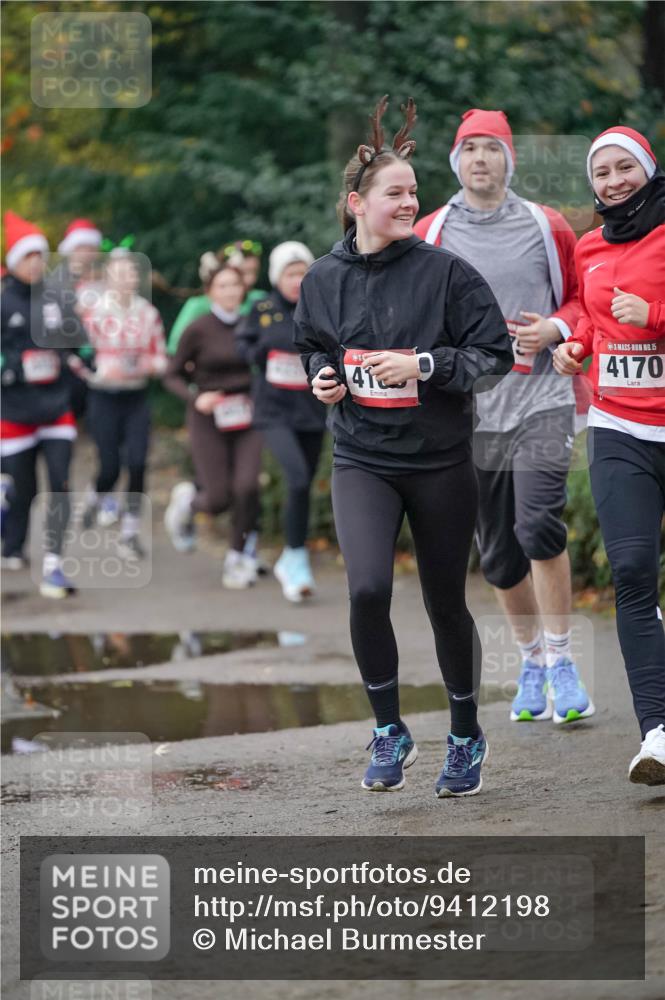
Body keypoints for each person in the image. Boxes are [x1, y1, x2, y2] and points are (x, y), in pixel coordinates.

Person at [294, 97, 512, 796]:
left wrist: (423, 366)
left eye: (414, 193)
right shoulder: (323, 279)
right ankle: (388, 729)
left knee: (445, 602)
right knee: (365, 590)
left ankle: (462, 735)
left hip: (440, 461)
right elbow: (311, 349)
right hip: (362, 456)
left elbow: (494, 354)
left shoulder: (444, 274)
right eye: (396, 193)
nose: (409, 202)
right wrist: (321, 379)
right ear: (357, 203)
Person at [414, 108, 594, 726]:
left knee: (539, 525)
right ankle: (531, 661)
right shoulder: (431, 232)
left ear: (508, 159)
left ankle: (566, 662)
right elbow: (414, 312)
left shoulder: (545, 225)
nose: (480, 159)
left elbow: (580, 296)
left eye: (492, 148)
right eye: (470, 150)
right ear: (456, 161)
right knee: (496, 555)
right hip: (470, 413)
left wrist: (557, 327)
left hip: (541, 400)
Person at [553, 126, 665, 785]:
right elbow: (596, 318)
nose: (613, 180)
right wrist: (579, 345)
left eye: (625, 167)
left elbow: (639, 313)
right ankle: (656, 731)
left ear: (648, 170)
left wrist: (651, 312)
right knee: (628, 570)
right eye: (601, 172)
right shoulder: (590, 246)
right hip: (618, 425)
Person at [163, 261, 263, 589]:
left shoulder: (252, 324)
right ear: (209, 292)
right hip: (208, 417)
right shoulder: (199, 328)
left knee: (247, 488)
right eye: (222, 286)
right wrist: (197, 398)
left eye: (235, 285)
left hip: (247, 417)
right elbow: (171, 374)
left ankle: (237, 557)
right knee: (218, 498)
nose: (230, 291)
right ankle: (188, 502)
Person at [236, 241, 326, 602]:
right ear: (277, 276)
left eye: (302, 271)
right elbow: (242, 346)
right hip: (273, 410)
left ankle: (292, 555)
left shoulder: (318, 307)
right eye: (290, 273)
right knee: (298, 477)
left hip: (310, 409)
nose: (296, 279)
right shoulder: (262, 308)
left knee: (303, 485)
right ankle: (296, 556)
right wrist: (259, 351)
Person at [0, 211, 77, 597]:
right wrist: (11, 368)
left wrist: (79, 359)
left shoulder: (56, 298)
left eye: (39, 256)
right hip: (14, 412)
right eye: (28, 257)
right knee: (22, 488)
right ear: (14, 260)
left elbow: (74, 340)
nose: (36, 263)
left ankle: (54, 564)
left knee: (60, 485)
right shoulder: (1, 299)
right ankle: (11, 543)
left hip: (56, 407)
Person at [77, 249, 167, 558]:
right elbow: (76, 355)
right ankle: (94, 497)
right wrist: (97, 372)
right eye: (119, 273)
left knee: (139, 463)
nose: (126, 279)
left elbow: (161, 356)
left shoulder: (147, 313)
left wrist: (149, 365)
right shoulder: (93, 313)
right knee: (110, 467)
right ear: (107, 278)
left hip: (136, 397)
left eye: (131, 273)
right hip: (103, 397)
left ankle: (129, 534)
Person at [46, 218, 104, 419]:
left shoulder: (103, 280)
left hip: (101, 357)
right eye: (82, 247)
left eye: (91, 248)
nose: (87, 253)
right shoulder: (54, 283)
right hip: (67, 359)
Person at [168, 240, 267, 355]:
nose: (250, 279)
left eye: (254, 272)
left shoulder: (260, 298)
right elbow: (175, 346)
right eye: (244, 272)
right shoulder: (198, 304)